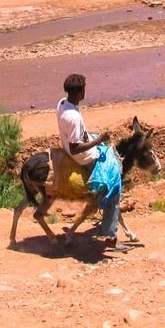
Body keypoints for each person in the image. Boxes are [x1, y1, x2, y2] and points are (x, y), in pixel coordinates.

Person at [56, 73, 120, 246]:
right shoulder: (74, 118)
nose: (85, 91)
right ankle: (110, 235)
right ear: (80, 92)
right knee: (114, 185)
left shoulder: (63, 103)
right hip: (85, 157)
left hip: (75, 146)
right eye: (84, 88)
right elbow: (76, 147)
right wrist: (99, 141)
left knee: (110, 152)